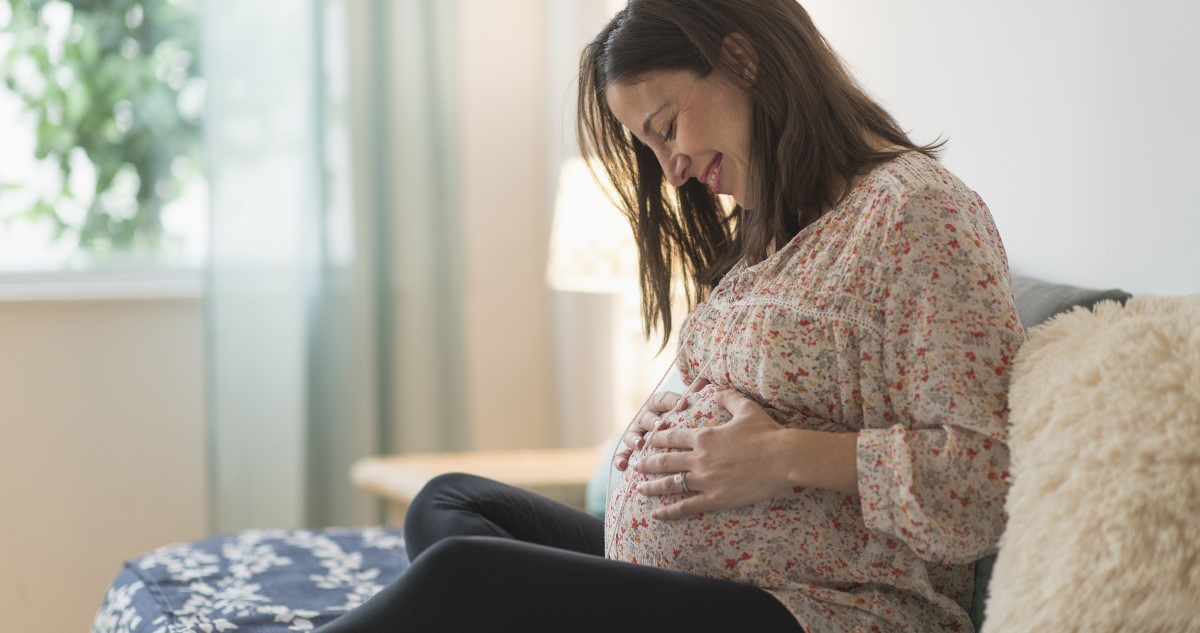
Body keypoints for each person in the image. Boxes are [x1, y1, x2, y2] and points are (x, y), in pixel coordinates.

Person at [316, 1, 1024, 631]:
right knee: (449, 504)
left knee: (464, 575)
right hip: (698, 578)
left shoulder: (915, 214)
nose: (672, 169)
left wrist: (778, 459)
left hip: (833, 606)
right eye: (649, 148)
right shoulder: (770, 230)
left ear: (742, 59)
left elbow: (983, 480)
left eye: (666, 128)